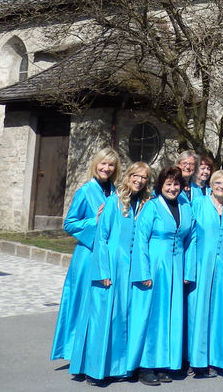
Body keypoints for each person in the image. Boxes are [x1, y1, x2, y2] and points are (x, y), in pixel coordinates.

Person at [73, 161, 149, 384]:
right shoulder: (113, 201)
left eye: (144, 177)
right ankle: (95, 370)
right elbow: (102, 237)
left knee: (123, 318)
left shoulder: (144, 203)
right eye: (136, 175)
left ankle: (120, 368)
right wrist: (102, 271)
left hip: (131, 268)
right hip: (111, 265)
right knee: (103, 317)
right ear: (128, 176)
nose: (139, 180)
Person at [52, 147, 121, 363]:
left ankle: (95, 350)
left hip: (108, 255)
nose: (106, 168)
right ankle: (74, 350)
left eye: (111, 165)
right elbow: (70, 223)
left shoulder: (116, 192)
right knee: (82, 301)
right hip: (88, 254)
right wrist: (95, 221)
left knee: (101, 304)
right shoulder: (85, 191)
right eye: (103, 164)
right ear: (95, 165)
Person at [130, 165, 197, 385]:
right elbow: (140, 239)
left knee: (171, 315)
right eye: (168, 184)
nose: (172, 188)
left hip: (176, 267)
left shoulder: (186, 207)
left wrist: (188, 271)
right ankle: (145, 366)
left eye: (176, 184)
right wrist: (143, 271)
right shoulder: (152, 207)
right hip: (155, 266)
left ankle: (162, 363)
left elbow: (192, 239)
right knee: (152, 315)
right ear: (161, 185)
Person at [187, 169, 223, 378]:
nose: (221, 187)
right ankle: (196, 360)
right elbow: (190, 236)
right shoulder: (198, 203)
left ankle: (215, 358)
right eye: (217, 183)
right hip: (201, 263)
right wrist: (189, 268)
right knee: (198, 311)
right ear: (210, 184)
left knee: (219, 311)